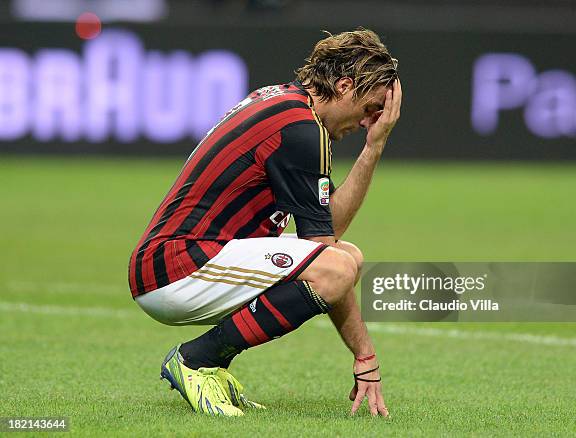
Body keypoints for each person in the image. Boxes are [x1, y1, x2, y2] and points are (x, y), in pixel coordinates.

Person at [128, 28, 401, 417]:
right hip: (177, 265)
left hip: (181, 259)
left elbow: (326, 231)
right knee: (338, 266)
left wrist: (374, 146)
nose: (367, 121)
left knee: (347, 258)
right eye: (371, 107)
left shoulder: (285, 105)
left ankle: (212, 367)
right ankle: (195, 361)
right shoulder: (300, 129)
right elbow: (324, 249)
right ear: (344, 86)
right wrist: (365, 356)